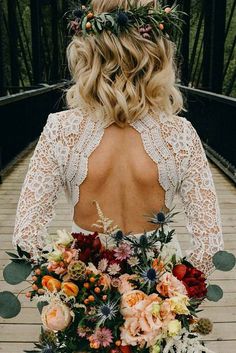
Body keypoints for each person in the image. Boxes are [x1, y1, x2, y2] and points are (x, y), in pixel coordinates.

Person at [12, 0, 223, 277]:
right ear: (157, 51)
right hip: (158, 302)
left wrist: (64, 290)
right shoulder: (180, 135)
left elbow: (26, 239)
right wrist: (173, 294)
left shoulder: (61, 130)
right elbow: (210, 247)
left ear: (88, 49)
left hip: (86, 297)